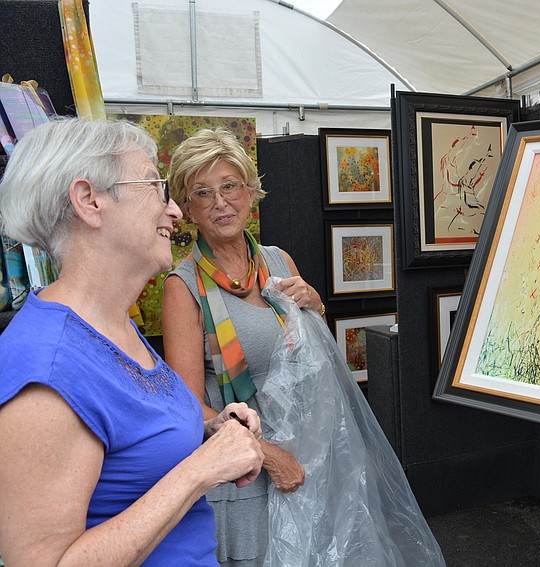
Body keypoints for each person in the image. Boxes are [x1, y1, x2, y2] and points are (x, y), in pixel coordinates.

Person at [0, 118, 265, 566]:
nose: (175, 211)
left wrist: (214, 428)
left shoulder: (110, 325)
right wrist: (201, 471)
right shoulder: (47, 366)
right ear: (89, 201)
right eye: (152, 185)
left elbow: (128, 434)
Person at [161, 128, 312, 567]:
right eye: (203, 193)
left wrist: (316, 304)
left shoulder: (280, 261)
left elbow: (308, 357)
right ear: (187, 209)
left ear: (250, 191)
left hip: (300, 451)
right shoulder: (182, 286)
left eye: (230, 186)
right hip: (241, 475)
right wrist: (268, 456)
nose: (220, 202)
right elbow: (188, 407)